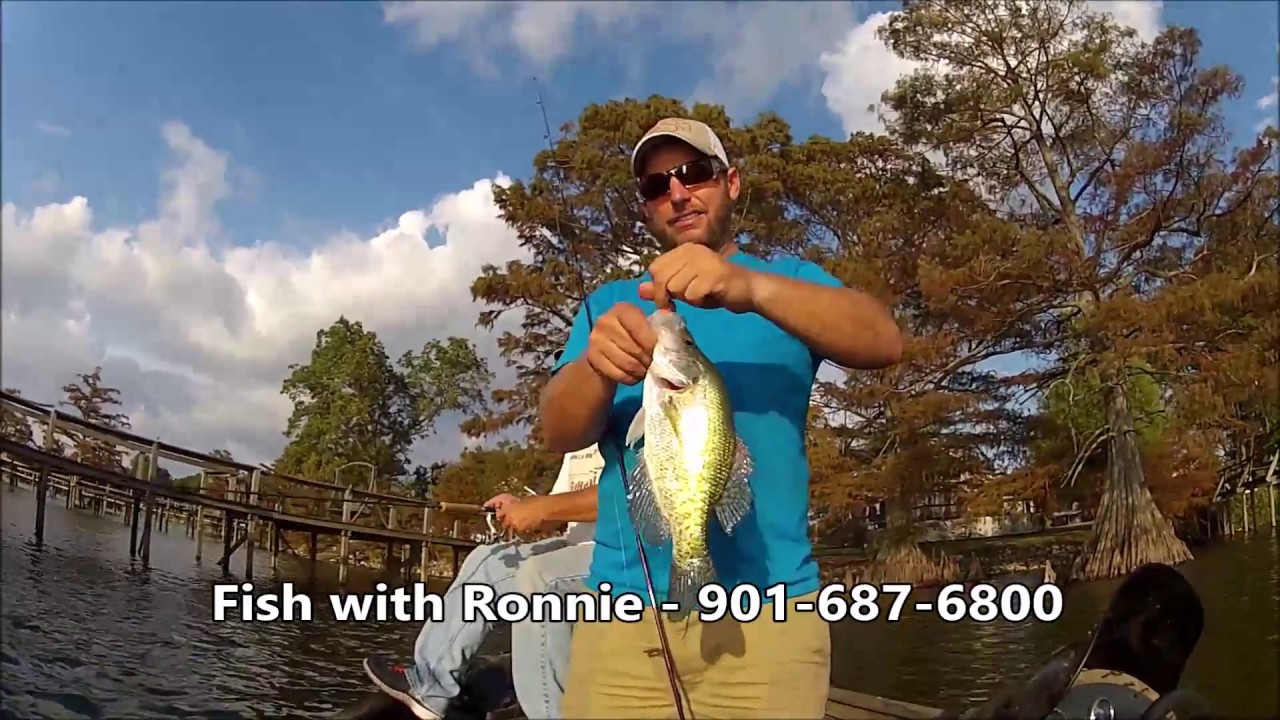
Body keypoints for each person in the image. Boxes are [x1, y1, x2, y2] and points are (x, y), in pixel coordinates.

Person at [540, 117, 904, 719]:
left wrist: (749, 287)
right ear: (647, 208)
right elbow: (558, 431)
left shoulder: (787, 282)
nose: (678, 193)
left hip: (771, 613)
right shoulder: (607, 303)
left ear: (731, 183)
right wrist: (595, 368)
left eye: (695, 174)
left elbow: (884, 341)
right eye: (657, 186)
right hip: (624, 615)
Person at [363, 445, 605, 720]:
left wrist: (544, 508)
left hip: (619, 553)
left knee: (540, 577)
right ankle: (431, 685)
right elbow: (557, 511)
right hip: (573, 545)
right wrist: (523, 509)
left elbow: (624, 500)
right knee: (488, 558)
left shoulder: (641, 421)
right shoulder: (583, 439)